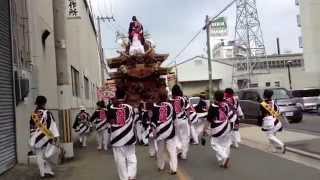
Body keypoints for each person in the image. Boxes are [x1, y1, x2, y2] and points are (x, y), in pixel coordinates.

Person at [108, 88, 137, 180]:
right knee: (131, 157)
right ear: (125, 96)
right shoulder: (130, 107)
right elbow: (133, 120)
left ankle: (124, 178)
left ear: (116, 96)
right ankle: (131, 175)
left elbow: (110, 121)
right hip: (129, 137)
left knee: (120, 160)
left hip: (116, 138)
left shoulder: (111, 107)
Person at [30, 96, 60, 178]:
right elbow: (52, 125)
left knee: (39, 156)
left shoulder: (33, 114)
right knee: (48, 154)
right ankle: (48, 171)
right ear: (44, 103)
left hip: (36, 138)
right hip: (47, 137)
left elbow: (32, 127)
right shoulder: (47, 113)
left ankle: (42, 173)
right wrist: (56, 136)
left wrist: (33, 137)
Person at [151, 92, 178, 175]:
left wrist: (153, 132)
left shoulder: (155, 107)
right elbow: (174, 118)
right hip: (170, 132)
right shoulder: (170, 106)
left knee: (160, 150)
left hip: (160, 133)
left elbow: (153, 122)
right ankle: (173, 169)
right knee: (172, 151)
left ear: (159, 98)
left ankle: (161, 166)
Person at [204, 91, 232, 168]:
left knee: (215, 143)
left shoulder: (213, 106)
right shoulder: (226, 105)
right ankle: (221, 162)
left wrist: (205, 129)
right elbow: (229, 115)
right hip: (227, 126)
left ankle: (224, 157)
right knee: (225, 144)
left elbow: (208, 120)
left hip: (217, 127)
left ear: (215, 97)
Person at [259, 89, 286, 153]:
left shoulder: (263, 103)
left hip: (269, 122)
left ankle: (282, 144)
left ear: (264, 95)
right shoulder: (274, 102)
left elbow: (261, 114)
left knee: (270, 136)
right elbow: (278, 112)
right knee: (272, 136)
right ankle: (274, 149)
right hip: (276, 121)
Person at [170, 84, 190, 160]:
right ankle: (184, 154)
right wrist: (189, 119)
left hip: (175, 121)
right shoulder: (184, 99)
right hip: (184, 120)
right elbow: (188, 109)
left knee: (176, 136)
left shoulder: (171, 100)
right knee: (185, 137)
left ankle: (178, 150)